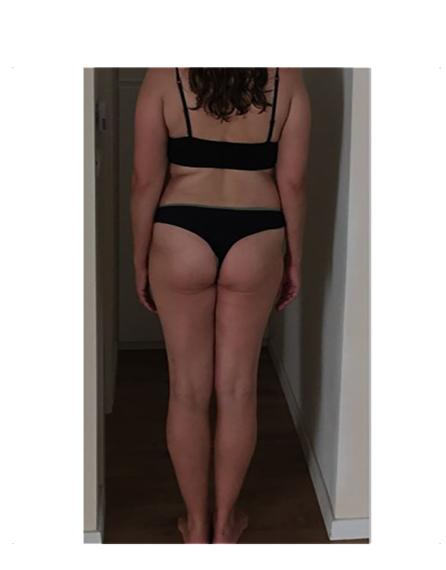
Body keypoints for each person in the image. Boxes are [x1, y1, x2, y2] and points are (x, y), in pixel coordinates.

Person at [130, 67, 311, 543]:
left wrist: (140, 259)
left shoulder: (164, 74)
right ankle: (226, 523)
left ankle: (196, 525)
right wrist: (294, 259)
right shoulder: (287, 77)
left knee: (187, 391)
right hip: (257, 234)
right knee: (237, 389)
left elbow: (145, 180)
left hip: (180, 234)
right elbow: (293, 182)